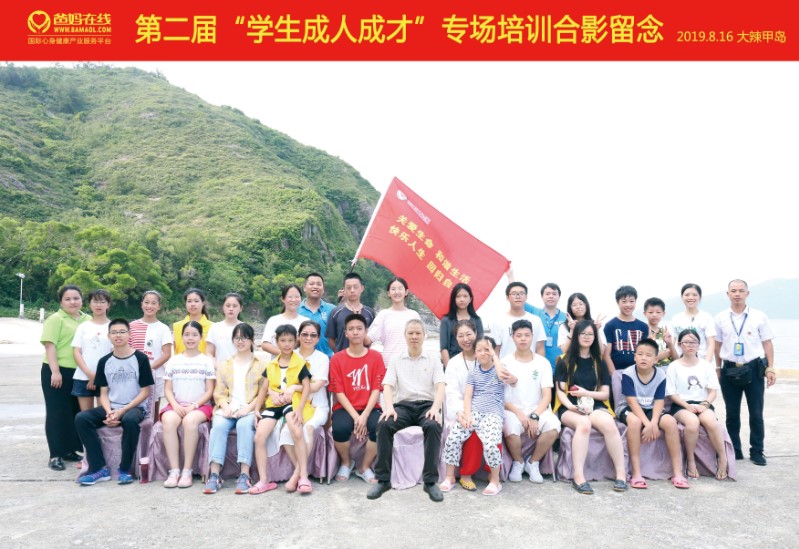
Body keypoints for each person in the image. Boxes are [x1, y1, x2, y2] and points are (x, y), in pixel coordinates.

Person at [368, 319, 446, 502]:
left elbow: (440, 386)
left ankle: (430, 482)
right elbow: (387, 385)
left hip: (426, 405)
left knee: (433, 425)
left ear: (424, 335)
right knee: (384, 424)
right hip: (403, 406)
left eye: (418, 333)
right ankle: (383, 480)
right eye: (410, 333)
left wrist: (436, 408)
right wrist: (389, 408)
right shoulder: (396, 359)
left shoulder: (433, 359)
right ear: (405, 336)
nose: (414, 337)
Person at [74, 318, 154, 485]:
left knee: (130, 420)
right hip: (112, 406)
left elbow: (145, 392)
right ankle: (99, 468)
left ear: (129, 335)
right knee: (82, 418)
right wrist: (109, 412)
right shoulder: (104, 361)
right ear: (109, 336)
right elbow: (103, 393)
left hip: (134, 407)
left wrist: (122, 411)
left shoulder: (141, 359)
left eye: (122, 332)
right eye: (114, 332)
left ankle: (125, 469)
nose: (118, 335)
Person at [554, 320, 627, 495]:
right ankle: (578, 477)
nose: (587, 337)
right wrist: (571, 406)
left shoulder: (599, 362)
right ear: (576, 336)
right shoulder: (564, 361)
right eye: (583, 333)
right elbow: (560, 392)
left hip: (594, 404)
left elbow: (604, 394)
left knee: (609, 424)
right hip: (569, 406)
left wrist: (585, 393)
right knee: (584, 424)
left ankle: (621, 474)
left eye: (590, 334)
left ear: (595, 337)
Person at [714, 279, 776, 466]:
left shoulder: (759, 316)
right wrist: (717, 367)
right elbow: (717, 345)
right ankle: (735, 450)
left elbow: (767, 343)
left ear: (747, 293)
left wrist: (770, 367)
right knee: (732, 413)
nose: (737, 294)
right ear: (727, 294)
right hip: (729, 369)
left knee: (756, 413)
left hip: (754, 368)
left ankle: (757, 451)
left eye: (741, 290)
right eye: (733, 291)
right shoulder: (721, 318)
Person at [204, 323, 268, 495]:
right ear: (233, 340)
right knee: (218, 426)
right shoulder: (225, 365)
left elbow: (263, 394)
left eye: (245, 338)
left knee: (244, 426)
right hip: (229, 408)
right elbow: (219, 393)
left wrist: (248, 408)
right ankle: (215, 474)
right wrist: (225, 407)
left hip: (249, 408)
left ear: (252, 340)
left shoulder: (261, 365)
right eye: (237, 338)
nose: (241, 341)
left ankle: (244, 475)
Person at [617, 338, 687, 490]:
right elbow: (632, 402)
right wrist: (648, 424)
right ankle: (636, 473)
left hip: (651, 408)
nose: (643, 358)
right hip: (628, 408)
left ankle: (678, 473)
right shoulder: (628, 373)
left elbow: (659, 401)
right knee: (635, 422)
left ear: (656, 359)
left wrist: (654, 422)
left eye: (648, 355)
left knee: (670, 422)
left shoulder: (661, 375)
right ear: (634, 357)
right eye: (640, 354)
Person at [251, 324, 314, 494]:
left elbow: (307, 387)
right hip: (274, 404)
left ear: (296, 342)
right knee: (259, 437)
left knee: (296, 431)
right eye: (283, 340)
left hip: (291, 403)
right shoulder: (272, 364)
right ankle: (263, 480)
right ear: (277, 342)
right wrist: (257, 409)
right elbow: (264, 388)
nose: (287, 344)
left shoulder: (300, 363)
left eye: (290, 341)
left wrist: (299, 409)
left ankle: (303, 476)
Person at [441, 336, 507, 496]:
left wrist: (494, 355)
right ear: (475, 353)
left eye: (487, 349)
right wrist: (467, 415)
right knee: (453, 438)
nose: (483, 353)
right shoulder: (473, 373)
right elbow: (468, 397)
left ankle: (495, 481)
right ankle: (449, 477)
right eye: (479, 350)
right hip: (475, 413)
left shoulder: (500, 369)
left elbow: (502, 376)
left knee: (491, 444)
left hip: (493, 414)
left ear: (493, 351)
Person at [501, 320, 561, 484]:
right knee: (510, 427)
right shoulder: (505, 362)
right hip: (513, 410)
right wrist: (519, 414)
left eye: (527, 335)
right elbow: (502, 398)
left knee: (554, 426)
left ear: (532, 336)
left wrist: (535, 415)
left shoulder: (542, 363)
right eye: (519, 335)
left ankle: (533, 462)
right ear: (512, 337)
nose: (523, 339)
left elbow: (547, 396)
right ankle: (518, 462)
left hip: (537, 409)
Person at [328, 313, 385, 483]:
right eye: (351, 329)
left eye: (359, 328)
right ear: (345, 333)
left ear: (365, 331)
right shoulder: (337, 359)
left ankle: (364, 467)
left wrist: (364, 415)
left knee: (381, 427)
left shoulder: (376, 357)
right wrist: (356, 417)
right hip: (345, 408)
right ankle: (346, 462)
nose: (355, 332)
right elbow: (338, 392)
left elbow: (376, 389)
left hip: (370, 407)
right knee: (340, 428)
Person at [666, 329, 729, 480]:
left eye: (694, 342)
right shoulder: (674, 366)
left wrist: (705, 404)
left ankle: (722, 458)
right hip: (681, 405)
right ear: (679, 345)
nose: (690, 345)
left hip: (702, 404)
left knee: (711, 422)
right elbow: (671, 394)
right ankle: (691, 461)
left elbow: (712, 391)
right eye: (686, 342)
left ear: (699, 345)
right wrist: (687, 406)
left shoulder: (706, 366)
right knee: (692, 422)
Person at [160, 321, 216, 488]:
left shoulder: (206, 361)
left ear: (201, 337)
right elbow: (167, 389)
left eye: (194, 335)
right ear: (181, 337)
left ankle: (187, 470)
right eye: (186, 335)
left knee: (190, 421)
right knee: (168, 421)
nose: (190, 338)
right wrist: (175, 405)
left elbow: (210, 390)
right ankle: (174, 470)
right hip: (176, 404)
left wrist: (194, 405)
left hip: (200, 406)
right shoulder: (174, 360)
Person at [41, 284, 90, 471]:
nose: (72, 302)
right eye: (68, 299)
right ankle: (55, 454)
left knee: (74, 412)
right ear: (61, 302)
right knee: (57, 413)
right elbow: (50, 346)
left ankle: (69, 450)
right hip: (57, 371)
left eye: (76, 298)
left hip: (79, 372)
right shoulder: (55, 319)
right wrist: (55, 371)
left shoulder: (87, 320)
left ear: (82, 300)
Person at [277, 320, 330, 492]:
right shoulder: (291, 356)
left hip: (318, 407)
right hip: (296, 406)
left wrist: (295, 387)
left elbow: (316, 386)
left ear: (318, 338)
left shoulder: (322, 358)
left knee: (308, 429)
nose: (308, 338)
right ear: (298, 336)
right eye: (305, 334)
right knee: (286, 432)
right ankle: (302, 474)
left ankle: (298, 476)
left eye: (313, 335)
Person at [443, 319, 486, 492]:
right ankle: (451, 475)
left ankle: (467, 474)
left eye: (469, 334)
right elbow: (451, 392)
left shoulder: (485, 359)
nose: (465, 339)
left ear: (476, 334)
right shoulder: (454, 363)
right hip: (460, 409)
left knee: (477, 429)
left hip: (482, 409)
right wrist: (461, 412)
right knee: (461, 428)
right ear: (456, 339)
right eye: (460, 336)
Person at [129, 290, 173, 417]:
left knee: (153, 411)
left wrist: (147, 369)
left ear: (159, 306)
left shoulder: (163, 328)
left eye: (154, 303)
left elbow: (166, 354)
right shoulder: (131, 326)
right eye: (147, 302)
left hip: (155, 374)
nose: (149, 306)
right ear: (141, 304)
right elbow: (126, 350)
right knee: (132, 407)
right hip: (133, 374)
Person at [71, 289, 112, 411]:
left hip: (106, 378)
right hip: (83, 376)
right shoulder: (83, 327)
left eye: (102, 302)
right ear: (89, 304)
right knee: (86, 416)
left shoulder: (113, 327)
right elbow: (77, 352)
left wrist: (98, 377)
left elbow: (114, 354)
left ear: (108, 305)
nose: (98, 305)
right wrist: (90, 375)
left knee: (104, 415)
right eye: (95, 301)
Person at [368, 277, 421, 367]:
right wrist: (356, 322)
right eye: (393, 289)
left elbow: (419, 342)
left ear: (406, 292)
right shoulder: (383, 314)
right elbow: (369, 338)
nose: (397, 292)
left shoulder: (414, 315)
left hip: (411, 365)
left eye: (400, 289)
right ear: (389, 293)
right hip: (388, 365)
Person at [603, 285, 648, 375]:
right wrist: (615, 375)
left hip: (638, 374)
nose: (628, 305)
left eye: (631, 301)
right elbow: (606, 355)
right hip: (617, 372)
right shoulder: (610, 325)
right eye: (624, 301)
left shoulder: (643, 326)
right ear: (617, 302)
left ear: (635, 302)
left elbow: (645, 352)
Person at [325, 273, 376, 353]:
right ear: (344, 290)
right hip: (342, 358)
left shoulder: (370, 313)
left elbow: (372, 340)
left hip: (364, 358)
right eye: (348, 288)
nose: (352, 290)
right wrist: (339, 354)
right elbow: (331, 339)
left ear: (362, 288)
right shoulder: (336, 312)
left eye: (355, 287)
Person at [495, 281, 546, 358]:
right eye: (514, 293)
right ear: (507, 297)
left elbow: (540, 348)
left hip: (530, 364)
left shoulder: (536, 320)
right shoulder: (498, 321)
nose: (518, 296)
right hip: (505, 364)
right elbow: (496, 350)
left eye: (522, 293)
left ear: (526, 297)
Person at [439, 283, 484, 367]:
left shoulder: (477, 320)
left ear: (470, 299)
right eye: (458, 296)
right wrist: (449, 368)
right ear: (454, 299)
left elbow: (481, 344)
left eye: (465, 296)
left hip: (474, 363)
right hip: (453, 363)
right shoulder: (446, 320)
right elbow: (443, 348)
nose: (462, 299)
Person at [671, 283, 716, 362]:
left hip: (701, 361)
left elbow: (711, 344)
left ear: (700, 297)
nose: (691, 298)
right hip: (680, 362)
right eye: (687, 295)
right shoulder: (676, 318)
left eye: (694, 295)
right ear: (682, 297)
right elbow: (672, 343)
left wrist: (706, 364)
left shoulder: (706, 317)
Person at [261, 284, 306, 358]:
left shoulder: (305, 321)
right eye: (290, 297)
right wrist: (286, 355)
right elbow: (265, 344)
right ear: (283, 299)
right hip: (278, 363)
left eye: (297, 297)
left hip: (300, 363)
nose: (293, 300)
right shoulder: (273, 320)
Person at [298, 272, 336, 357]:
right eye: (311, 284)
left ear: (323, 289)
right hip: (300, 361)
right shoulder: (296, 309)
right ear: (304, 288)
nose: (315, 286)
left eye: (319, 284)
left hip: (327, 361)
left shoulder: (332, 310)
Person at [205, 292, 243, 366]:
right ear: (223, 307)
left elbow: (249, 353)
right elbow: (209, 353)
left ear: (240, 308)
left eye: (235, 306)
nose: (231, 309)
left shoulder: (245, 328)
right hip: (219, 370)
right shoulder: (215, 327)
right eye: (228, 306)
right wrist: (217, 366)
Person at [173, 288, 212, 354]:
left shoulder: (213, 327)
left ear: (203, 303)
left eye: (196, 301)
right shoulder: (177, 326)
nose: (192, 304)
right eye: (189, 301)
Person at [643, 297, 678, 368]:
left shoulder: (665, 332)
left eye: (658, 312)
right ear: (645, 314)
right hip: (650, 370)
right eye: (651, 312)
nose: (654, 315)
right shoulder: (642, 332)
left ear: (663, 314)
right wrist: (667, 353)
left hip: (668, 369)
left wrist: (670, 344)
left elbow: (676, 359)